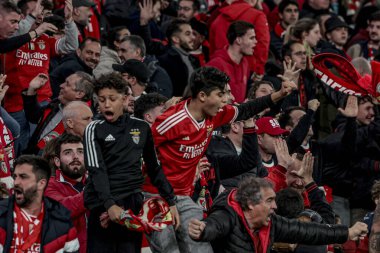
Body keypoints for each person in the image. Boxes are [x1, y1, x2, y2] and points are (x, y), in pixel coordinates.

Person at [148, 66, 297, 252]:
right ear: (202, 96)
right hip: (156, 195)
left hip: (183, 196)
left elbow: (245, 109)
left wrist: (281, 93)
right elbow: (143, 153)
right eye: (220, 94)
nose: (225, 99)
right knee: (168, 249)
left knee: (201, 248)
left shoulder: (214, 115)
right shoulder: (171, 121)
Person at [83, 73, 179, 252]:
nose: (106, 104)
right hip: (103, 203)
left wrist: (170, 201)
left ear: (126, 99)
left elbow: (154, 167)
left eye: (112, 99)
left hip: (132, 204)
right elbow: (96, 170)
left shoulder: (141, 127)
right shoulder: (93, 129)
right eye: (102, 99)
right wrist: (109, 204)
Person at [188, 177, 368, 253]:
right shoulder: (227, 215)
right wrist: (203, 230)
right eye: (269, 201)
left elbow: (308, 231)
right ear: (251, 204)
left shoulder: (272, 223)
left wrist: (346, 233)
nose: (275, 206)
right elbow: (215, 225)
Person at [0, 155, 80, 252]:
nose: (15, 182)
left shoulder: (62, 221)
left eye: (23, 177)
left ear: (41, 183)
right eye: (15, 176)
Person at [22, 72, 93, 154]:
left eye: (67, 84)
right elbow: (34, 117)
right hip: (34, 157)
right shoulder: (56, 104)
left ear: (79, 94)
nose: (61, 85)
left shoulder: (85, 120)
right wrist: (32, 90)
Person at [45, 133, 87, 253]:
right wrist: (96, 189)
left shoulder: (94, 181)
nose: (75, 157)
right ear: (57, 161)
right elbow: (63, 209)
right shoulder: (48, 185)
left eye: (80, 151)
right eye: (68, 152)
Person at [208, 0, 269, 80]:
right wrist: (259, 70)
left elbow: (212, 49)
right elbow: (262, 44)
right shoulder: (257, 16)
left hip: (220, 71)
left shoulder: (218, 19)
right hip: (248, 72)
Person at [207, 21, 257, 103]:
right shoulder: (215, 65)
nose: (256, 41)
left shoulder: (245, 63)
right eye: (251, 38)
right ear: (238, 40)